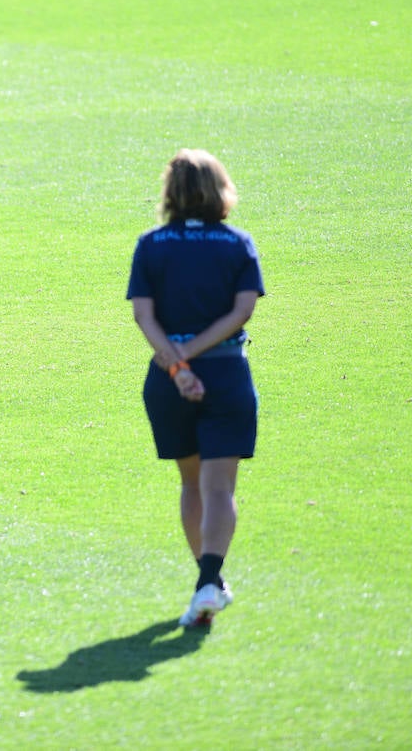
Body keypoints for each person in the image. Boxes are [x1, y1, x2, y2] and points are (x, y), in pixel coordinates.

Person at [126, 149, 264, 626]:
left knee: (191, 482)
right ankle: (210, 578)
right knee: (219, 486)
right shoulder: (237, 244)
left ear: (170, 193)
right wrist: (198, 355)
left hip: (167, 380)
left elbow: (144, 316)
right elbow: (241, 312)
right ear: (220, 190)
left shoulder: (151, 244)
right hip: (226, 375)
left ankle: (208, 582)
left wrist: (178, 364)